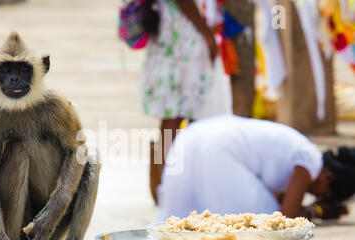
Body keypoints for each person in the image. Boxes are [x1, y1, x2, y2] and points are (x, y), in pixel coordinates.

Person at [155, 114, 355, 222]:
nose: (317, 196)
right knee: (261, 221)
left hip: (191, 136)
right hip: (216, 150)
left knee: (182, 219)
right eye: (325, 194)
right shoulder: (309, 161)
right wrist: (317, 211)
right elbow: (285, 217)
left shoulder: (302, 148)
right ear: (328, 177)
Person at [139, 0, 232, 204]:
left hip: (172, 38)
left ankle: (163, 188)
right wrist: (206, 33)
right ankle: (163, 189)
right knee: (175, 122)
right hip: (182, 41)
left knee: (171, 123)